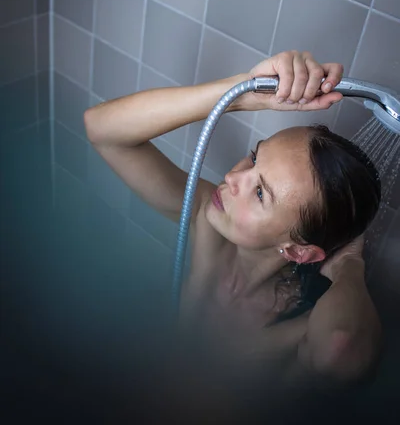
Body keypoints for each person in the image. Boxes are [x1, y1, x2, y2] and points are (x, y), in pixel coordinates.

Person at [83, 50, 382, 389]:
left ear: (299, 251)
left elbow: (340, 350)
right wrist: (241, 95)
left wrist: (349, 267)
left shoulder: (306, 318)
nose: (232, 177)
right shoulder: (206, 218)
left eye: (259, 194)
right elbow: (102, 129)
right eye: (254, 158)